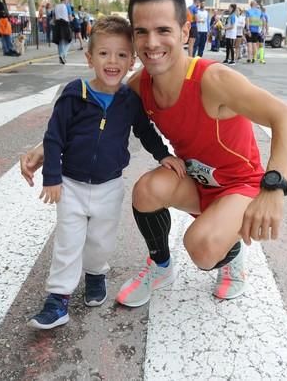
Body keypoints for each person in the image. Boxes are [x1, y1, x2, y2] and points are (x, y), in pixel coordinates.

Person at [20, 0, 287, 307]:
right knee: (146, 190)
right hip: (196, 182)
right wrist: (45, 149)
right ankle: (160, 266)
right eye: (141, 31)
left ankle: (232, 255)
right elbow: (100, 110)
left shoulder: (213, 80)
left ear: (185, 32)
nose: (152, 42)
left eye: (163, 30)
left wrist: (273, 188)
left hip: (239, 186)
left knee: (202, 247)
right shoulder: (140, 84)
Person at [27, 16, 185, 330]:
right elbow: (54, 136)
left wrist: (164, 155)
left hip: (110, 185)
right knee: (68, 242)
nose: (112, 61)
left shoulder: (129, 100)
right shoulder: (75, 93)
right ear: (89, 58)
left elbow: (145, 131)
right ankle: (57, 300)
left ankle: (96, 274)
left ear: (131, 61)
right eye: (104, 54)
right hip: (70, 184)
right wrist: (53, 178)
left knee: (100, 241)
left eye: (122, 55)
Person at [52, 0, 73, 65]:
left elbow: (54, 19)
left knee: (60, 41)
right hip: (65, 24)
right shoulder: (67, 6)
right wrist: (73, 18)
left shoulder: (56, 6)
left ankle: (61, 57)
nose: (68, 0)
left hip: (57, 24)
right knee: (69, 40)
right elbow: (70, 18)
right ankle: (62, 55)